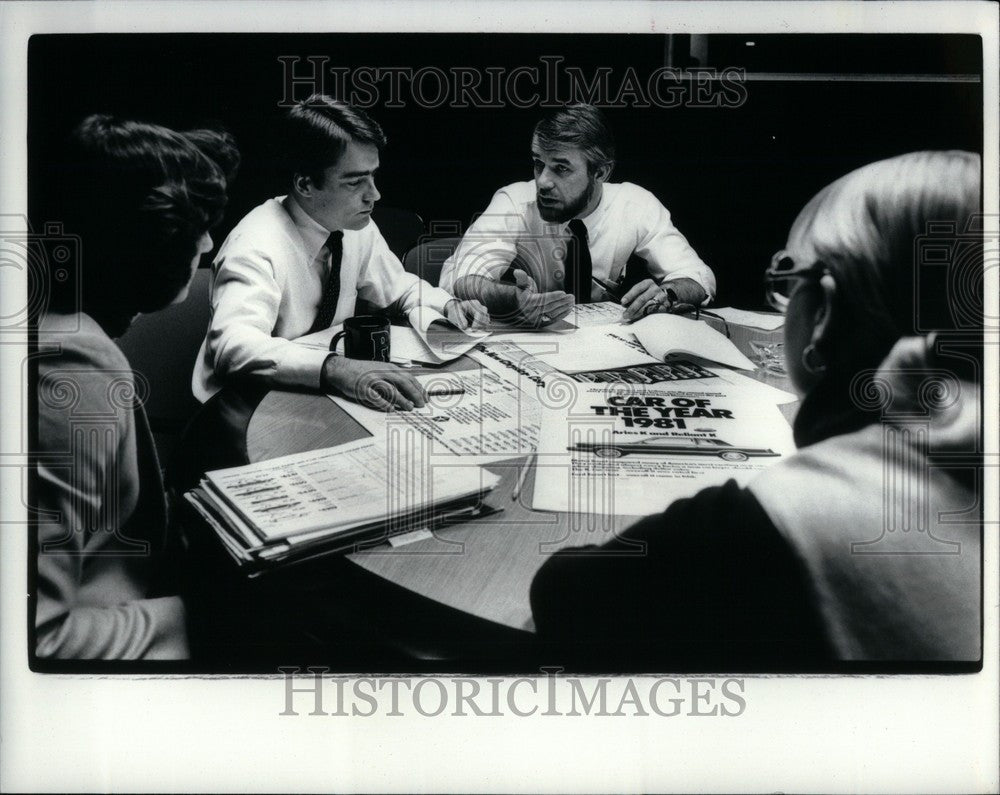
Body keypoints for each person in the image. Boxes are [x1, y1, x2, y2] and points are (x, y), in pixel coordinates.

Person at [530, 150, 982, 669]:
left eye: (790, 283)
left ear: (824, 314)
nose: (544, 178)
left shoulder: (795, 512)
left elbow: (569, 596)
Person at [36, 114, 239, 659]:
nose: (210, 240)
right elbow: (39, 637)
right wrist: (196, 615)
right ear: (150, 246)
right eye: (199, 224)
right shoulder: (72, 364)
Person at [192, 95, 487, 409]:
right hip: (238, 406)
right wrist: (337, 368)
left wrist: (448, 304)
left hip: (309, 397)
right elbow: (232, 348)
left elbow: (397, 288)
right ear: (305, 184)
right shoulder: (254, 245)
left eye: (372, 175)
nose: (374, 195)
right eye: (355, 182)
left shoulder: (351, 224)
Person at [438, 104, 716, 326]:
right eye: (538, 164)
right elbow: (459, 276)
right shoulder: (514, 201)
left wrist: (668, 294)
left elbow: (698, 277)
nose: (543, 181)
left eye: (561, 168)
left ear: (601, 172)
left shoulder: (636, 203)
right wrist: (512, 299)